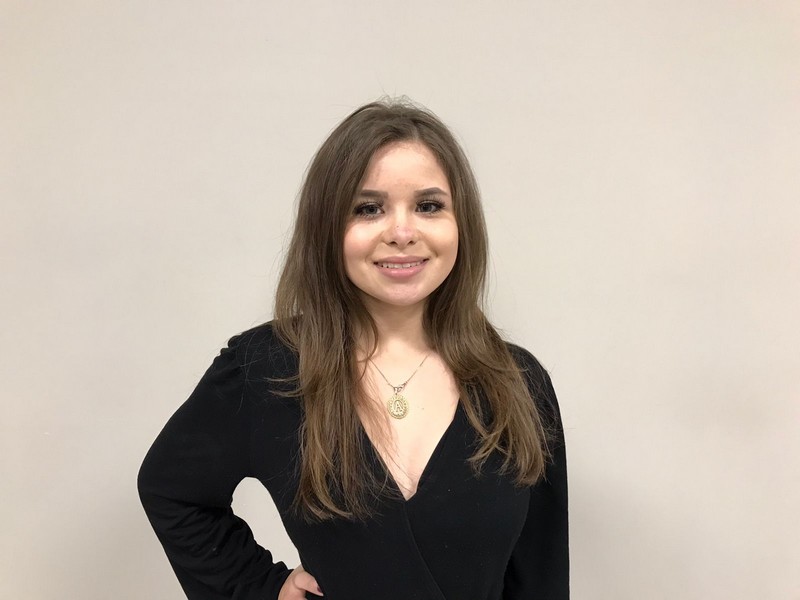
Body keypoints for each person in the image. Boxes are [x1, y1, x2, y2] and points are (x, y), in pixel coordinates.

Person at [138, 98, 569, 600]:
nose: (402, 233)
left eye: (429, 206)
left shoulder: (519, 384)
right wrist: (261, 587)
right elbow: (172, 490)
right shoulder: (268, 369)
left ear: (461, 224)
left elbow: (540, 575)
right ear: (327, 227)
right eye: (368, 209)